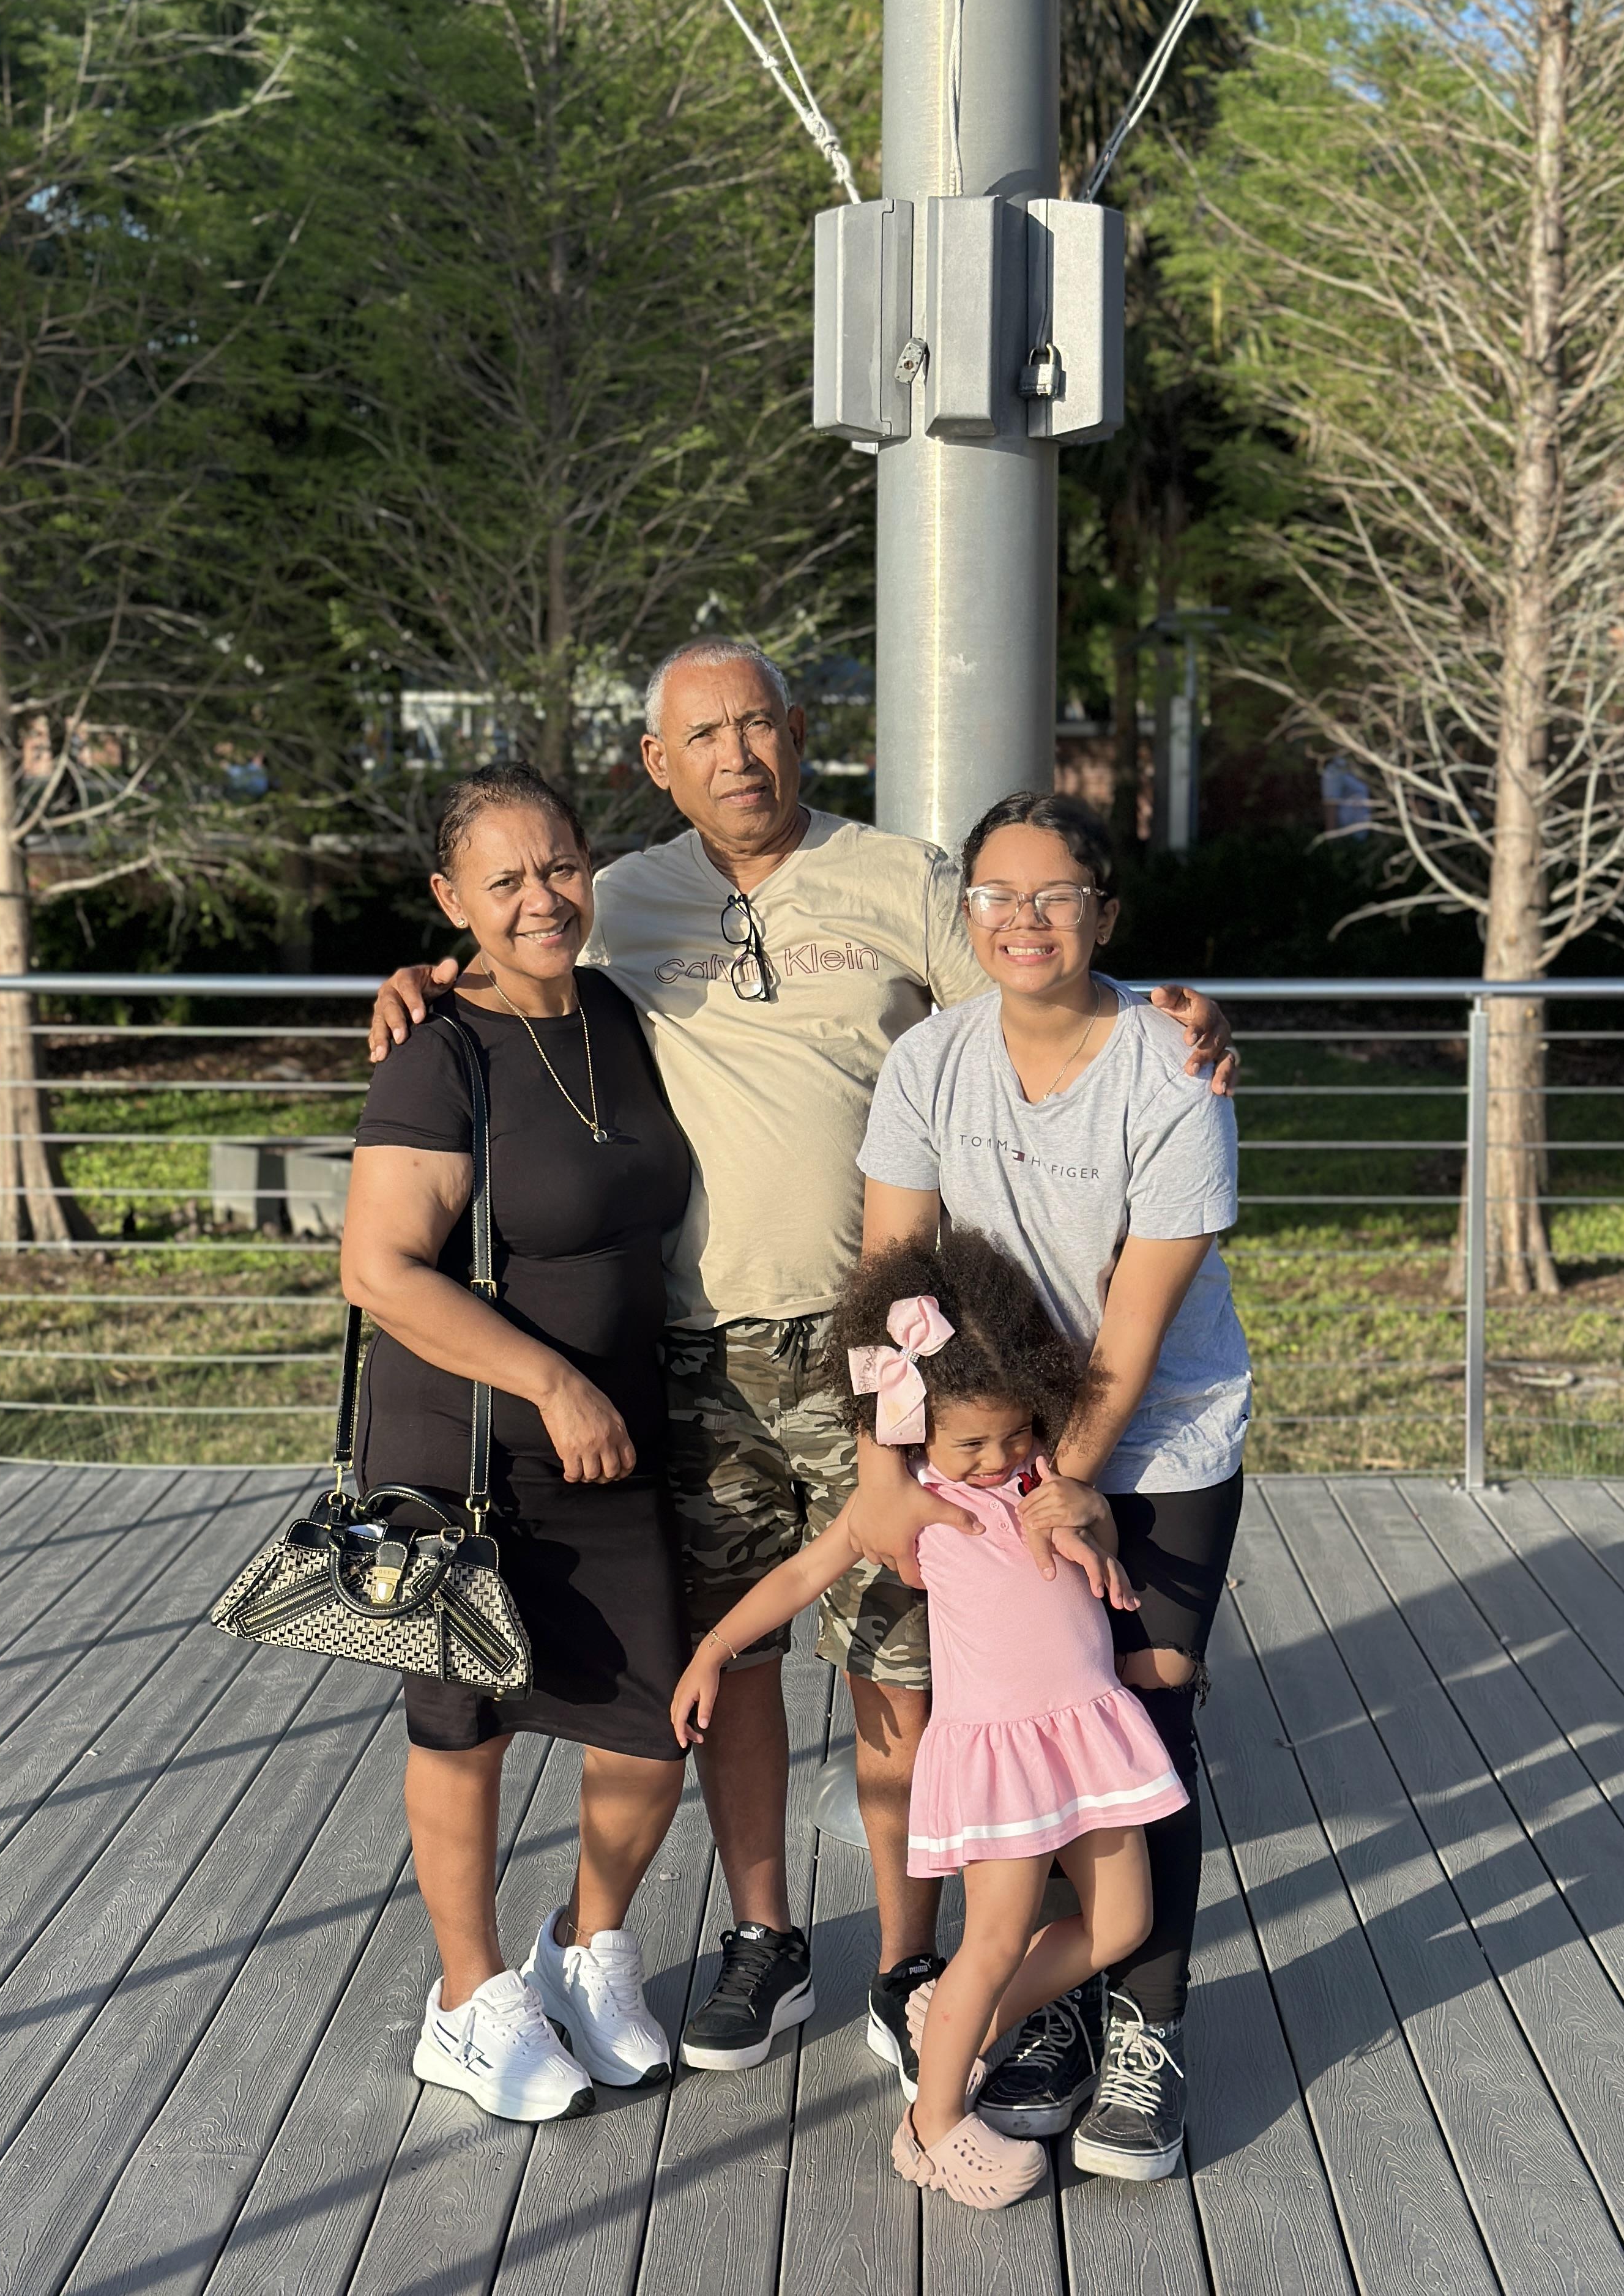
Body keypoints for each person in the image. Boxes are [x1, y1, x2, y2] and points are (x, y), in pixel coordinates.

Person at [367, 637, 1235, 2084]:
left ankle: (908, 1956)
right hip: (693, 1352)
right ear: (658, 764)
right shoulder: (617, 897)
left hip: (877, 1353)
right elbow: (510, 958)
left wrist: (1174, 1017)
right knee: (742, 1661)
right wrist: (420, 982)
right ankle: (766, 1934)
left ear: (798, 730)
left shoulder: (900, 878)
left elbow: (1037, 969)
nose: (738, 755)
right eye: (703, 736)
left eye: (759, 723)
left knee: (904, 1664)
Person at [852, 789, 1250, 2180]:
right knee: (1029, 1720)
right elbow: (890, 1288)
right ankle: (1048, 2007)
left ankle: (1147, 2028)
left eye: (1056, 896)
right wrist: (884, 1469)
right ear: (967, 915)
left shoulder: (1170, 1070)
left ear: (1105, 915)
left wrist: (1066, 1484)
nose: (1024, 921)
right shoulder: (930, 1062)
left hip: (1158, 1443)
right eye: (996, 896)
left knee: (1148, 1716)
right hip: (997, 1453)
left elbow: (1132, 1331)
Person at [671, 1230, 1188, 2210]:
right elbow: (799, 1576)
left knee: (1124, 1920)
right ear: (919, 1435)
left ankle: (966, 2022)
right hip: (1000, 1755)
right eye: (971, 1446)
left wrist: (1098, 1535)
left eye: (1015, 1435)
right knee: (990, 1939)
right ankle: (932, 2123)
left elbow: (1093, 1537)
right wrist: (711, 1652)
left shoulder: (1045, 1480)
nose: (998, 1460)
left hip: (1085, 1733)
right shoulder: (915, 1508)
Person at [341, 763, 694, 2125]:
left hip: (621, 1429)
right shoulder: (439, 1052)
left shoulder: (618, 1010)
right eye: (504, 881)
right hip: (473, 1440)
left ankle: (586, 1951)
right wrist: (552, 1383)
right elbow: (379, 1268)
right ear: (452, 900)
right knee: (464, 1725)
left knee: (653, 1726)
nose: (542, 899)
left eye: (559, 867)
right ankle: (469, 2000)